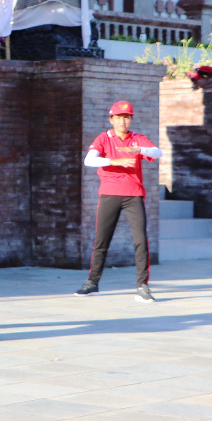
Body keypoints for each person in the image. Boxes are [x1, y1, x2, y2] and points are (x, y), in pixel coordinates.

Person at [74, 100, 163, 302]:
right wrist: (114, 161)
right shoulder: (104, 138)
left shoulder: (137, 139)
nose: (123, 121)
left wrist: (139, 150)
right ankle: (92, 283)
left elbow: (158, 153)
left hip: (133, 194)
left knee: (141, 241)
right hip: (110, 194)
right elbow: (89, 160)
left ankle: (142, 286)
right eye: (119, 117)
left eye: (127, 117)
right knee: (102, 240)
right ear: (111, 119)